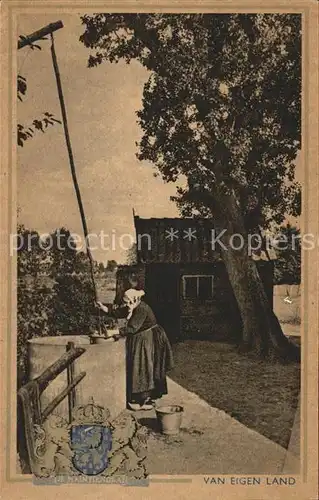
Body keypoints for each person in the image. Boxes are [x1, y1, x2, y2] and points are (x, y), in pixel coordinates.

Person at [96, 289, 174, 411]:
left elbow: (132, 328)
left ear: (135, 299)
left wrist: (114, 332)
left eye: (128, 302)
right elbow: (119, 312)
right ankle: (143, 398)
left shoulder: (142, 309)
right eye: (125, 302)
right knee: (141, 367)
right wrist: (103, 308)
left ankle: (143, 401)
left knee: (143, 367)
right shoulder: (133, 305)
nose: (127, 305)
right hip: (141, 337)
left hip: (147, 339)